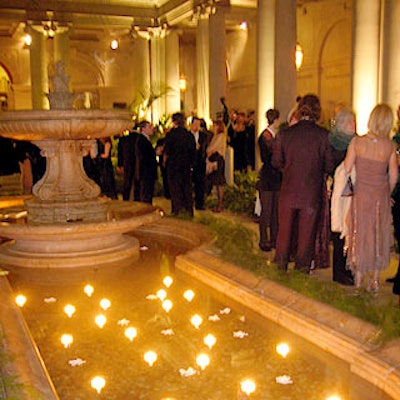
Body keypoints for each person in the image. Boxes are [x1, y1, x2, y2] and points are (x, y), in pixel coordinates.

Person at [271, 94, 335, 273]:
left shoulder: (285, 134)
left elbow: (276, 162)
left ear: (300, 110)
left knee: (283, 234)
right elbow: (329, 165)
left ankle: (280, 269)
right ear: (317, 111)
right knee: (306, 237)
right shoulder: (323, 135)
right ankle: (301, 272)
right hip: (311, 194)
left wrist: (290, 167)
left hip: (288, 191)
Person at [343, 104, 398, 293]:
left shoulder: (357, 142)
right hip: (380, 195)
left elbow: (347, 167)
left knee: (360, 233)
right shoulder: (390, 146)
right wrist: (386, 192)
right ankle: (374, 280)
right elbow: (394, 176)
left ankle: (358, 279)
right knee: (377, 234)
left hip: (361, 194)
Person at [328, 108, 356, 285]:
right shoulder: (332, 142)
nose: (353, 125)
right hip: (339, 192)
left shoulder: (357, 142)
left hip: (354, 192)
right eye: (350, 122)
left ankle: (350, 268)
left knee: (352, 232)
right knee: (339, 232)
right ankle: (339, 272)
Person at [257, 109, 282, 252]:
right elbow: (268, 159)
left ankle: (274, 239)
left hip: (276, 178)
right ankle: (263, 240)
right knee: (266, 211)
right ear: (275, 120)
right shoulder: (265, 137)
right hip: (267, 178)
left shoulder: (276, 136)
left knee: (275, 211)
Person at [164, 112, 196, 217]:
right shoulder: (189, 135)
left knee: (175, 188)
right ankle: (189, 209)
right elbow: (193, 152)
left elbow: (167, 151)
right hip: (186, 165)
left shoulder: (171, 135)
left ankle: (176, 209)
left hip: (173, 165)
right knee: (186, 187)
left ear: (174, 121)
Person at [206, 120, 227, 213]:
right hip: (213, 158)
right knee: (215, 182)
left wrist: (211, 150)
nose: (213, 127)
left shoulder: (221, 136)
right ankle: (218, 203)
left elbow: (211, 148)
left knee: (219, 183)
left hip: (218, 160)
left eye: (215, 125)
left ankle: (221, 204)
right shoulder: (215, 136)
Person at [135, 121, 158, 204]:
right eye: (149, 127)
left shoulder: (146, 140)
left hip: (148, 172)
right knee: (146, 193)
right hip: (146, 172)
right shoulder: (141, 140)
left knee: (148, 193)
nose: (152, 129)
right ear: (143, 129)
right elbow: (144, 156)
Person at [190, 116, 208, 210]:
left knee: (200, 184)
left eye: (198, 124)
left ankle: (200, 204)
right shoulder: (187, 135)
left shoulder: (203, 135)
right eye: (195, 124)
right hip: (190, 162)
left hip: (200, 163)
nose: (197, 126)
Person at [117, 127, 139, 201]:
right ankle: (137, 198)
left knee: (127, 182)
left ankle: (125, 198)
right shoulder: (140, 138)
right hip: (138, 163)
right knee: (137, 181)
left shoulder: (124, 139)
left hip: (127, 162)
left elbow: (120, 153)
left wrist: (120, 165)